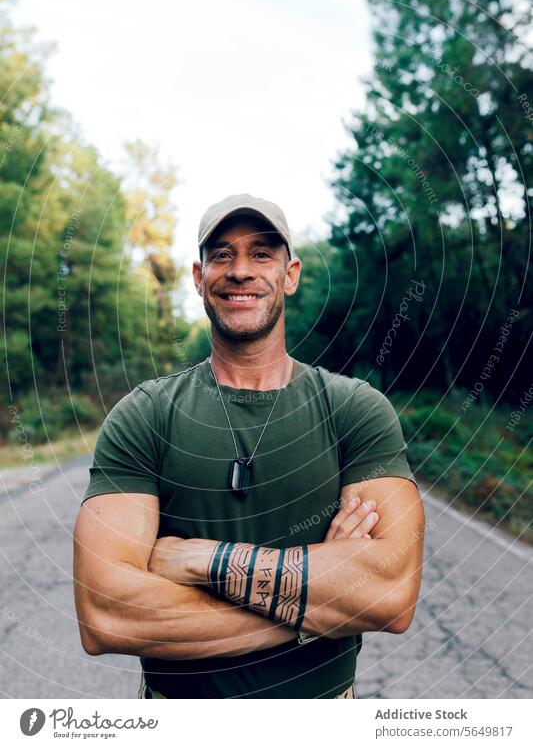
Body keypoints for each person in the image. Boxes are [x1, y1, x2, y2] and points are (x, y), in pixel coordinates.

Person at [73, 193, 425, 699]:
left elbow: (389, 595)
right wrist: (320, 610)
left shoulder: (355, 410)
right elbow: (107, 614)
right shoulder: (144, 414)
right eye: (221, 255)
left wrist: (201, 561)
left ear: (291, 274)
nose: (240, 271)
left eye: (261, 254)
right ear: (199, 277)